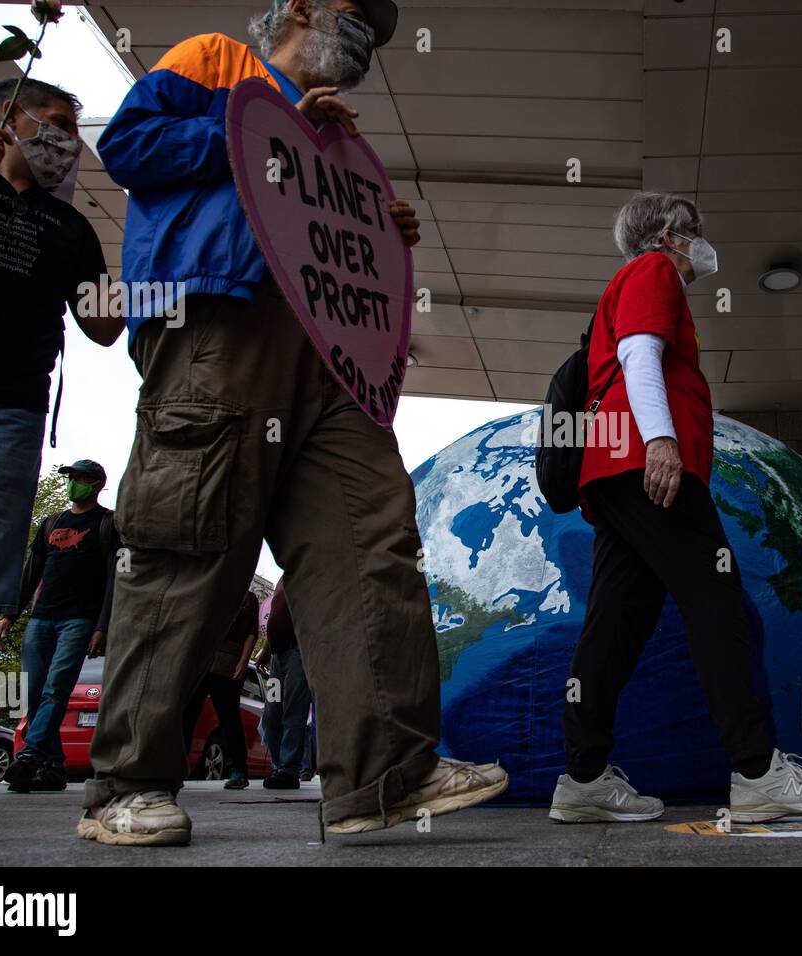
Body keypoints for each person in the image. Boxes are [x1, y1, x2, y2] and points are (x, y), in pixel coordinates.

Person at [79, 0, 506, 847]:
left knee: (370, 542)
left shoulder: (341, 143)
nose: (370, 40)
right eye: (357, 16)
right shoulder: (214, 63)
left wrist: (378, 232)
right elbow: (128, 147)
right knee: (190, 542)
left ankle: (384, 773)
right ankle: (126, 787)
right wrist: (260, 139)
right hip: (219, 326)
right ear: (301, 8)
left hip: (330, 356)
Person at [550, 191, 802, 824]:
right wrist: (661, 441)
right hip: (645, 464)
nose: (701, 239)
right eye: (694, 229)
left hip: (611, 471)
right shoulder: (653, 270)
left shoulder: (630, 281)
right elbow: (639, 353)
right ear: (666, 235)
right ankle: (756, 773)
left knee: (615, 625)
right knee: (719, 605)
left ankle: (582, 779)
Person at [0, 79, 121, 826]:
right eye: (58, 123)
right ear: (9, 121)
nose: (67, 140)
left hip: (7, 417)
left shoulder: (69, 228)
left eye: (73, 130)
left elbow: (103, 327)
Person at [0, 460, 119, 792]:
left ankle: (30, 755)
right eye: (71, 478)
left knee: (56, 689)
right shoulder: (52, 523)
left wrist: (102, 626)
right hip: (41, 618)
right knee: (35, 693)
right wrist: (9, 615)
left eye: (79, 478)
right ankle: (52, 766)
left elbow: (115, 580)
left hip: (79, 620)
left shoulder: (109, 524)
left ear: (95, 484)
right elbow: (31, 571)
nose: (72, 483)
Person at [182, 589, 259, 789]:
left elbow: (252, 632)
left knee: (229, 717)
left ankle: (239, 770)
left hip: (227, 663)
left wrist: (243, 661)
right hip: (202, 660)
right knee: (188, 713)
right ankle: (177, 766)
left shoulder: (248, 597)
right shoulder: (212, 590)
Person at [254, 580, 313, 789]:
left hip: (298, 653)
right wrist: (266, 650)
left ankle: (288, 770)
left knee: (293, 711)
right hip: (278, 657)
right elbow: (277, 618)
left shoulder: (306, 572)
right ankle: (279, 766)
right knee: (272, 712)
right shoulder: (284, 578)